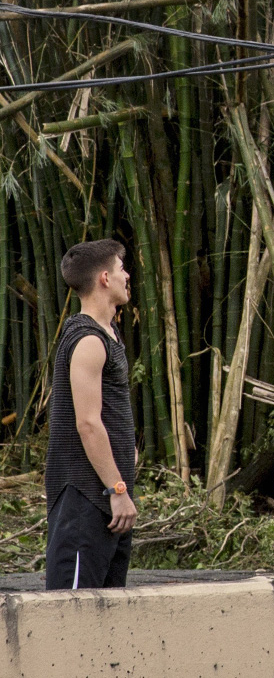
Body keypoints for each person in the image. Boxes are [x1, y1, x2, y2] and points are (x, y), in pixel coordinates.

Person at [45, 239, 138, 590]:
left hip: (111, 501)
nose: (126, 275)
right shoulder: (88, 341)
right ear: (104, 278)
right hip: (86, 499)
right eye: (120, 269)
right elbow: (87, 423)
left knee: (110, 620)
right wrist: (116, 488)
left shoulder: (109, 334)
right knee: (74, 616)